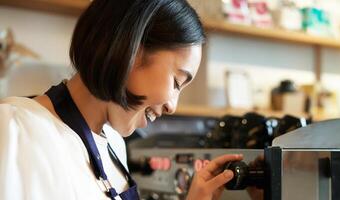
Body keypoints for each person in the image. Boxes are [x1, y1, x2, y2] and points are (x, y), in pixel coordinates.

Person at [0, 0, 243, 199]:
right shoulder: (14, 129)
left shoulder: (114, 145)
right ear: (130, 51)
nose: (172, 106)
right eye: (177, 82)